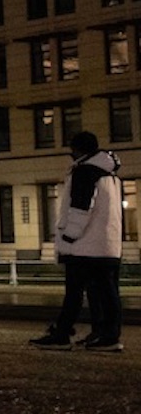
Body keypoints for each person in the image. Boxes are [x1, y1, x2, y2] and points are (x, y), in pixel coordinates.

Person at [31, 131, 125, 353]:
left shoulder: (85, 172)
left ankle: (63, 335)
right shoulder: (110, 175)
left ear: (78, 150)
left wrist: (69, 235)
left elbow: (81, 207)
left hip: (85, 246)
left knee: (74, 292)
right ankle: (104, 334)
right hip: (107, 245)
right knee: (107, 292)